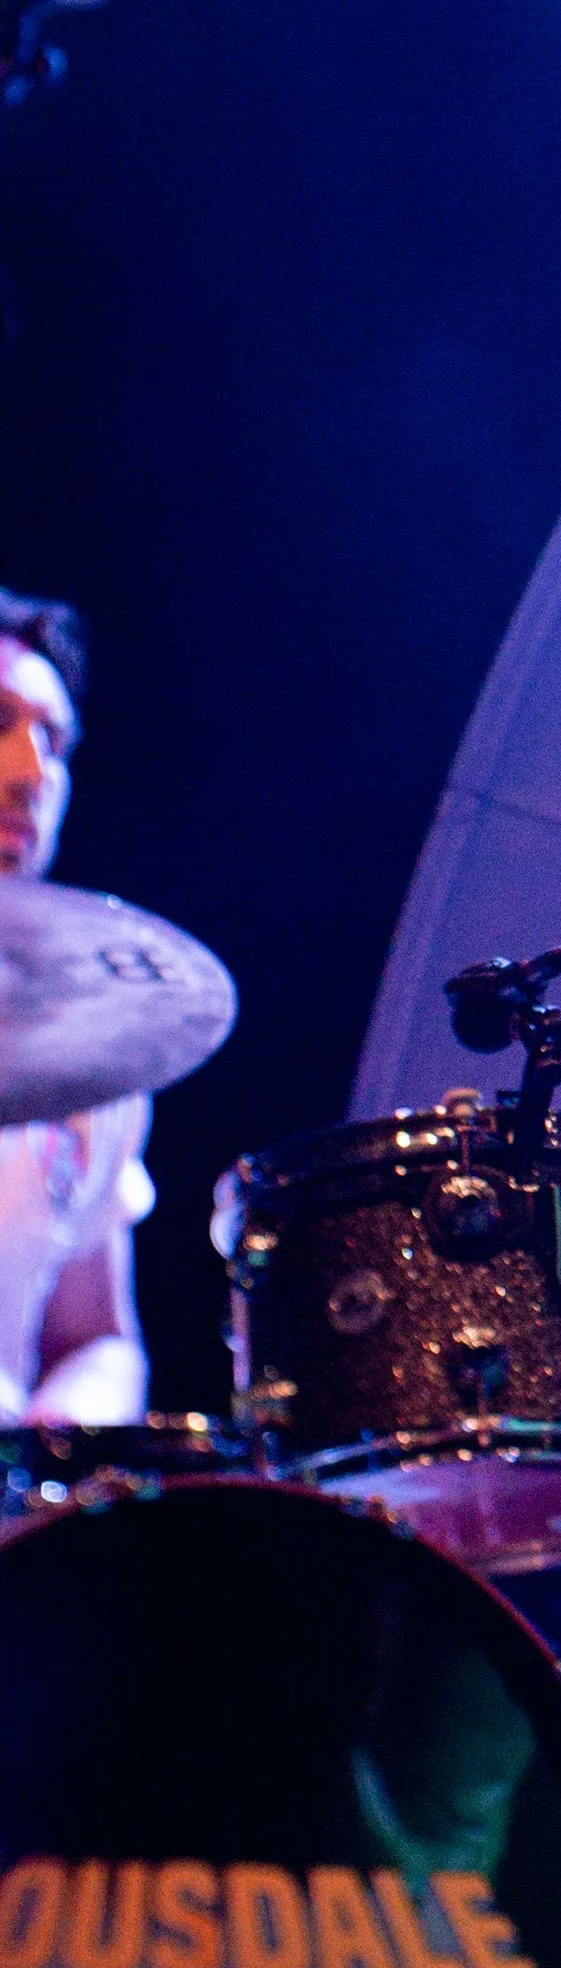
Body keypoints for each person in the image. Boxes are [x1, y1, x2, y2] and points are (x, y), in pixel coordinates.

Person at [0, 586, 153, 1425]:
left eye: (53, 742)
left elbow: (97, 1339)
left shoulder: (93, 1054)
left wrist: (64, 1427)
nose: (30, 773)